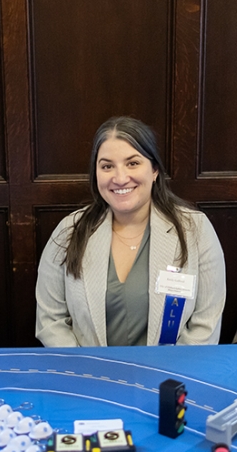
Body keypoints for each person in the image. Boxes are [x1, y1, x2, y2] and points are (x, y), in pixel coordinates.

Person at [36, 116, 225, 347]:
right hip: (90, 375)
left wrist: (165, 375)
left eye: (133, 163)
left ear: (154, 170)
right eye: (107, 166)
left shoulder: (195, 230)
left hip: (167, 376)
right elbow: (50, 319)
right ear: (96, 174)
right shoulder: (69, 231)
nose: (120, 178)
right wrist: (88, 370)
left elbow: (206, 324)